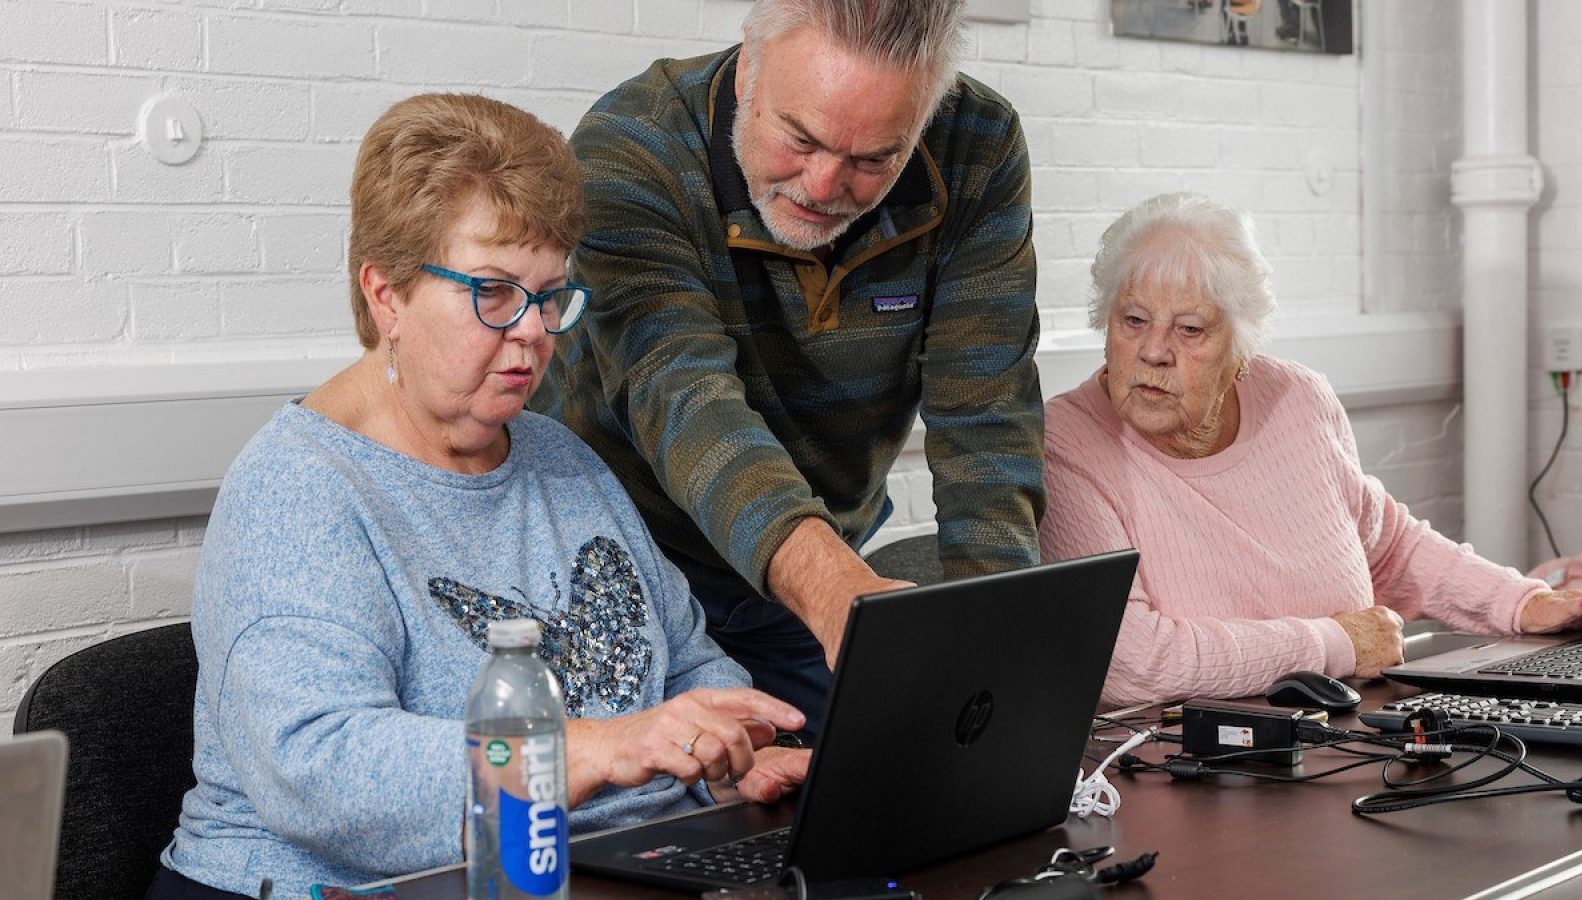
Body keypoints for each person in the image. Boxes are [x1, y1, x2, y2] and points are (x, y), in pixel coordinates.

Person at [149, 94, 809, 900]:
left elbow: (684, 662)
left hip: (589, 870)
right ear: (386, 293)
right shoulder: (300, 489)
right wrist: (594, 750)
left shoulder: (558, 457)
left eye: (548, 295)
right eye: (493, 292)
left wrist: (730, 758)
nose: (532, 331)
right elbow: (322, 770)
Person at [532, 0, 1046, 738]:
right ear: (749, 64)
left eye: (875, 160)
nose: (823, 184)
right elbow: (684, 399)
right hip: (619, 580)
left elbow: (987, 420)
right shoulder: (633, 144)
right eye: (799, 138)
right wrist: (836, 589)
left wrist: (994, 663)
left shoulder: (979, 146)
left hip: (795, 596)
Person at [1039, 192, 1582, 708]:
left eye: (1190, 329)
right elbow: (1132, 663)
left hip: (1345, 740)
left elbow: (1389, 546)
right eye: (1133, 320)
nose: (1154, 351)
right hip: (1188, 775)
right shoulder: (1067, 444)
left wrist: (1519, 602)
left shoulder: (1296, 398)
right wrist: (1336, 643)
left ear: (1241, 351)